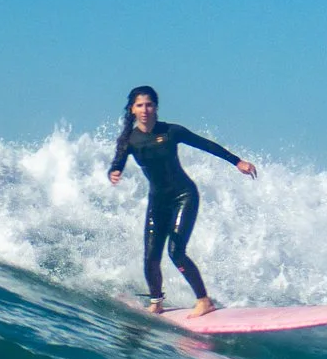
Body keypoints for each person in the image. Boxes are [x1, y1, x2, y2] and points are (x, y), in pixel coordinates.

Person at [107, 86, 258, 317]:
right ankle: (156, 302)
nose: (145, 109)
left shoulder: (171, 131)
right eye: (140, 105)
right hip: (157, 201)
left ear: (156, 107)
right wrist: (114, 171)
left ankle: (204, 300)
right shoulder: (130, 140)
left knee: (176, 251)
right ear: (132, 109)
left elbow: (205, 144)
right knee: (150, 257)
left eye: (149, 104)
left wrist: (237, 162)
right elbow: (117, 161)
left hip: (183, 196)